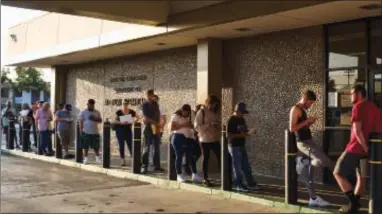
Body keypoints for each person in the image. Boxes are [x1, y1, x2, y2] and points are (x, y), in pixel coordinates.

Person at [333, 85, 382, 214]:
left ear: (359, 93)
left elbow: (357, 130)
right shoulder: (375, 109)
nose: (350, 96)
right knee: (361, 178)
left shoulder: (358, 107)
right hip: (369, 150)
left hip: (355, 148)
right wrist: (369, 148)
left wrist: (364, 146)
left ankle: (354, 203)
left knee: (337, 172)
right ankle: (353, 207)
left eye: (352, 93)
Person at [289, 90, 332, 207]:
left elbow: (301, 126)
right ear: (306, 100)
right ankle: (302, 161)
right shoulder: (296, 109)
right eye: (311, 103)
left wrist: (309, 123)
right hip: (302, 143)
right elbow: (292, 128)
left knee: (309, 174)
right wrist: (307, 121)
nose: (311, 105)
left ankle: (313, 198)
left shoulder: (303, 110)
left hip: (308, 141)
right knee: (322, 161)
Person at [227, 102, 261, 192]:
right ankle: (239, 185)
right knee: (237, 167)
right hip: (234, 146)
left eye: (243, 113)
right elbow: (229, 135)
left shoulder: (241, 119)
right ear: (236, 111)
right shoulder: (231, 120)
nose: (242, 114)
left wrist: (250, 132)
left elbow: (244, 130)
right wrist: (244, 134)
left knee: (246, 166)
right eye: (241, 112)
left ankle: (250, 184)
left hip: (241, 145)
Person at [170, 104, 202, 183]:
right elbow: (172, 127)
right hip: (178, 137)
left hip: (189, 138)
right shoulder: (176, 116)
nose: (186, 114)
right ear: (182, 110)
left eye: (188, 112)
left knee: (191, 157)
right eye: (185, 112)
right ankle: (179, 175)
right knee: (179, 156)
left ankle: (194, 174)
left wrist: (187, 125)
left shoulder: (190, 115)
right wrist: (184, 125)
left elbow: (193, 126)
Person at [194, 95, 221, 187]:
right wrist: (209, 124)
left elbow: (217, 125)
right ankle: (205, 178)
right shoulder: (201, 112)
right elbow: (197, 127)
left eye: (216, 105)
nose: (214, 106)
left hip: (214, 138)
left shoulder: (214, 113)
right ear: (209, 103)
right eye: (213, 104)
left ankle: (224, 176)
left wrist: (217, 125)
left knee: (221, 156)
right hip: (204, 139)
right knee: (206, 158)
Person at [140, 89, 162, 174]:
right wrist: (155, 123)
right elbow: (145, 117)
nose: (149, 96)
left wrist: (158, 125)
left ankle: (157, 166)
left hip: (155, 127)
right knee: (146, 147)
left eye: (150, 94)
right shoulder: (144, 104)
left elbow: (158, 114)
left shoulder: (155, 103)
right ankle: (144, 166)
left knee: (156, 147)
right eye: (147, 95)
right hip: (148, 127)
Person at [113, 99, 138, 166]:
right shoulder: (119, 112)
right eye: (124, 104)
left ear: (128, 104)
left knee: (130, 145)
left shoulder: (131, 111)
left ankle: (133, 159)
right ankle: (122, 160)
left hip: (128, 130)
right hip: (120, 130)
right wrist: (121, 122)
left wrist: (134, 122)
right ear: (122, 104)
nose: (125, 105)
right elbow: (115, 121)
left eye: (126, 104)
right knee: (121, 145)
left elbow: (138, 117)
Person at [79, 99, 103, 165]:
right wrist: (81, 130)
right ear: (87, 104)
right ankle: (85, 158)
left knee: (96, 146)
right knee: (85, 146)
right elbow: (81, 121)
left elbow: (100, 120)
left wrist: (94, 118)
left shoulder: (97, 112)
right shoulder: (83, 112)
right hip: (86, 131)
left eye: (92, 105)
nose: (90, 106)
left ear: (93, 105)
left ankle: (97, 158)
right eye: (89, 104)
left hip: (95, 131)